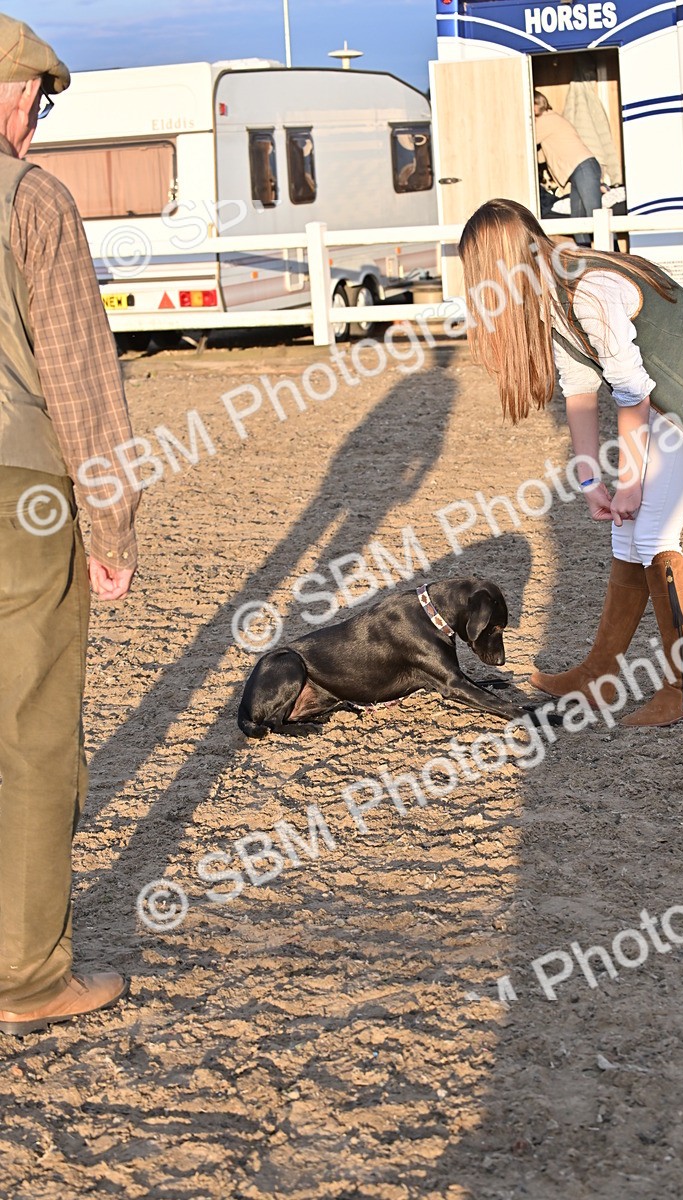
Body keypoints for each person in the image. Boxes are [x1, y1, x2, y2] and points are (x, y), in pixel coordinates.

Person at [458, 197, 683, 728]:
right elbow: (580, 392)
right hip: (659, 397)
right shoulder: (551, 296)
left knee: (654, 536)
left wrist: (632, 481)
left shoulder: (587, 291)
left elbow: (632, 391)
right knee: (626, 536)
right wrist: (593, 479)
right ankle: (600, 674)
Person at [0, 15, 140, 1036]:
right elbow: (83, 381)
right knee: (33, 736)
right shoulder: (33, 200)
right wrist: (112, 527)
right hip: (17, 487)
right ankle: (25, 978)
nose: (37, 122)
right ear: (12, 93)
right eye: (39, 101)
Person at [534, 90, 603, 246]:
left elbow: (526, 141)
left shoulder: (546, 120)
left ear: (539, 104)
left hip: (583, 167)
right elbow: (542, 156)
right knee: (577, 221)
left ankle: (615, 257)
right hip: (581, 169)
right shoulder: (551, 121)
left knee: (597, 217)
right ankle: (586, 259)